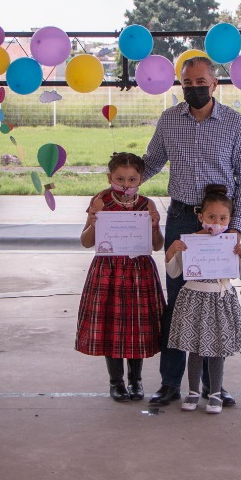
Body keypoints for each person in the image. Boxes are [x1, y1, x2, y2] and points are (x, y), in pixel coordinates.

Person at [142, 56, 241, 408]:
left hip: (219, 227)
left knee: (214, 303)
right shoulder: (169, 120)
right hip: (180, 220)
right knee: (177, 304)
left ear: (215, 83)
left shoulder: (235, 124)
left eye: (199, 82)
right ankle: (170, 383)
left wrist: (235, 227)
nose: (193, 88)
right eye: (186, 83)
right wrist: (121, 186)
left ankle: (212, 387)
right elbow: (151, 163)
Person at [76, 153, 166, 401]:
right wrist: (94, 223)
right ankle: (116, 382)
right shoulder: (100, 201)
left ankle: (135, 381)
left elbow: (157, 246)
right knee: (111, 325)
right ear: (109, 177)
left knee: (137, 326)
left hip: (139, 272)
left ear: (141, 179)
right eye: (119, 178)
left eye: (132, 178)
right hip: (108, 271)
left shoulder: (147, 205)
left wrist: (155, 227)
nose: (126, 184)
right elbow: (85, 242)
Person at [163, 185, 241, 414]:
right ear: (201, 216)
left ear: (230, 219)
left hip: (219, 301)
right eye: (211, 217)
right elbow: (174, 272)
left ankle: (215, 392)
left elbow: (235, 272)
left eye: (223, 218)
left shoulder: (229, 243)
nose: (217, 222)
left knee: (217, 350)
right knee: (195, 349)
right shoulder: (190, 241)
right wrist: (171, 251)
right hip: (194, 299)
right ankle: (192, 392)